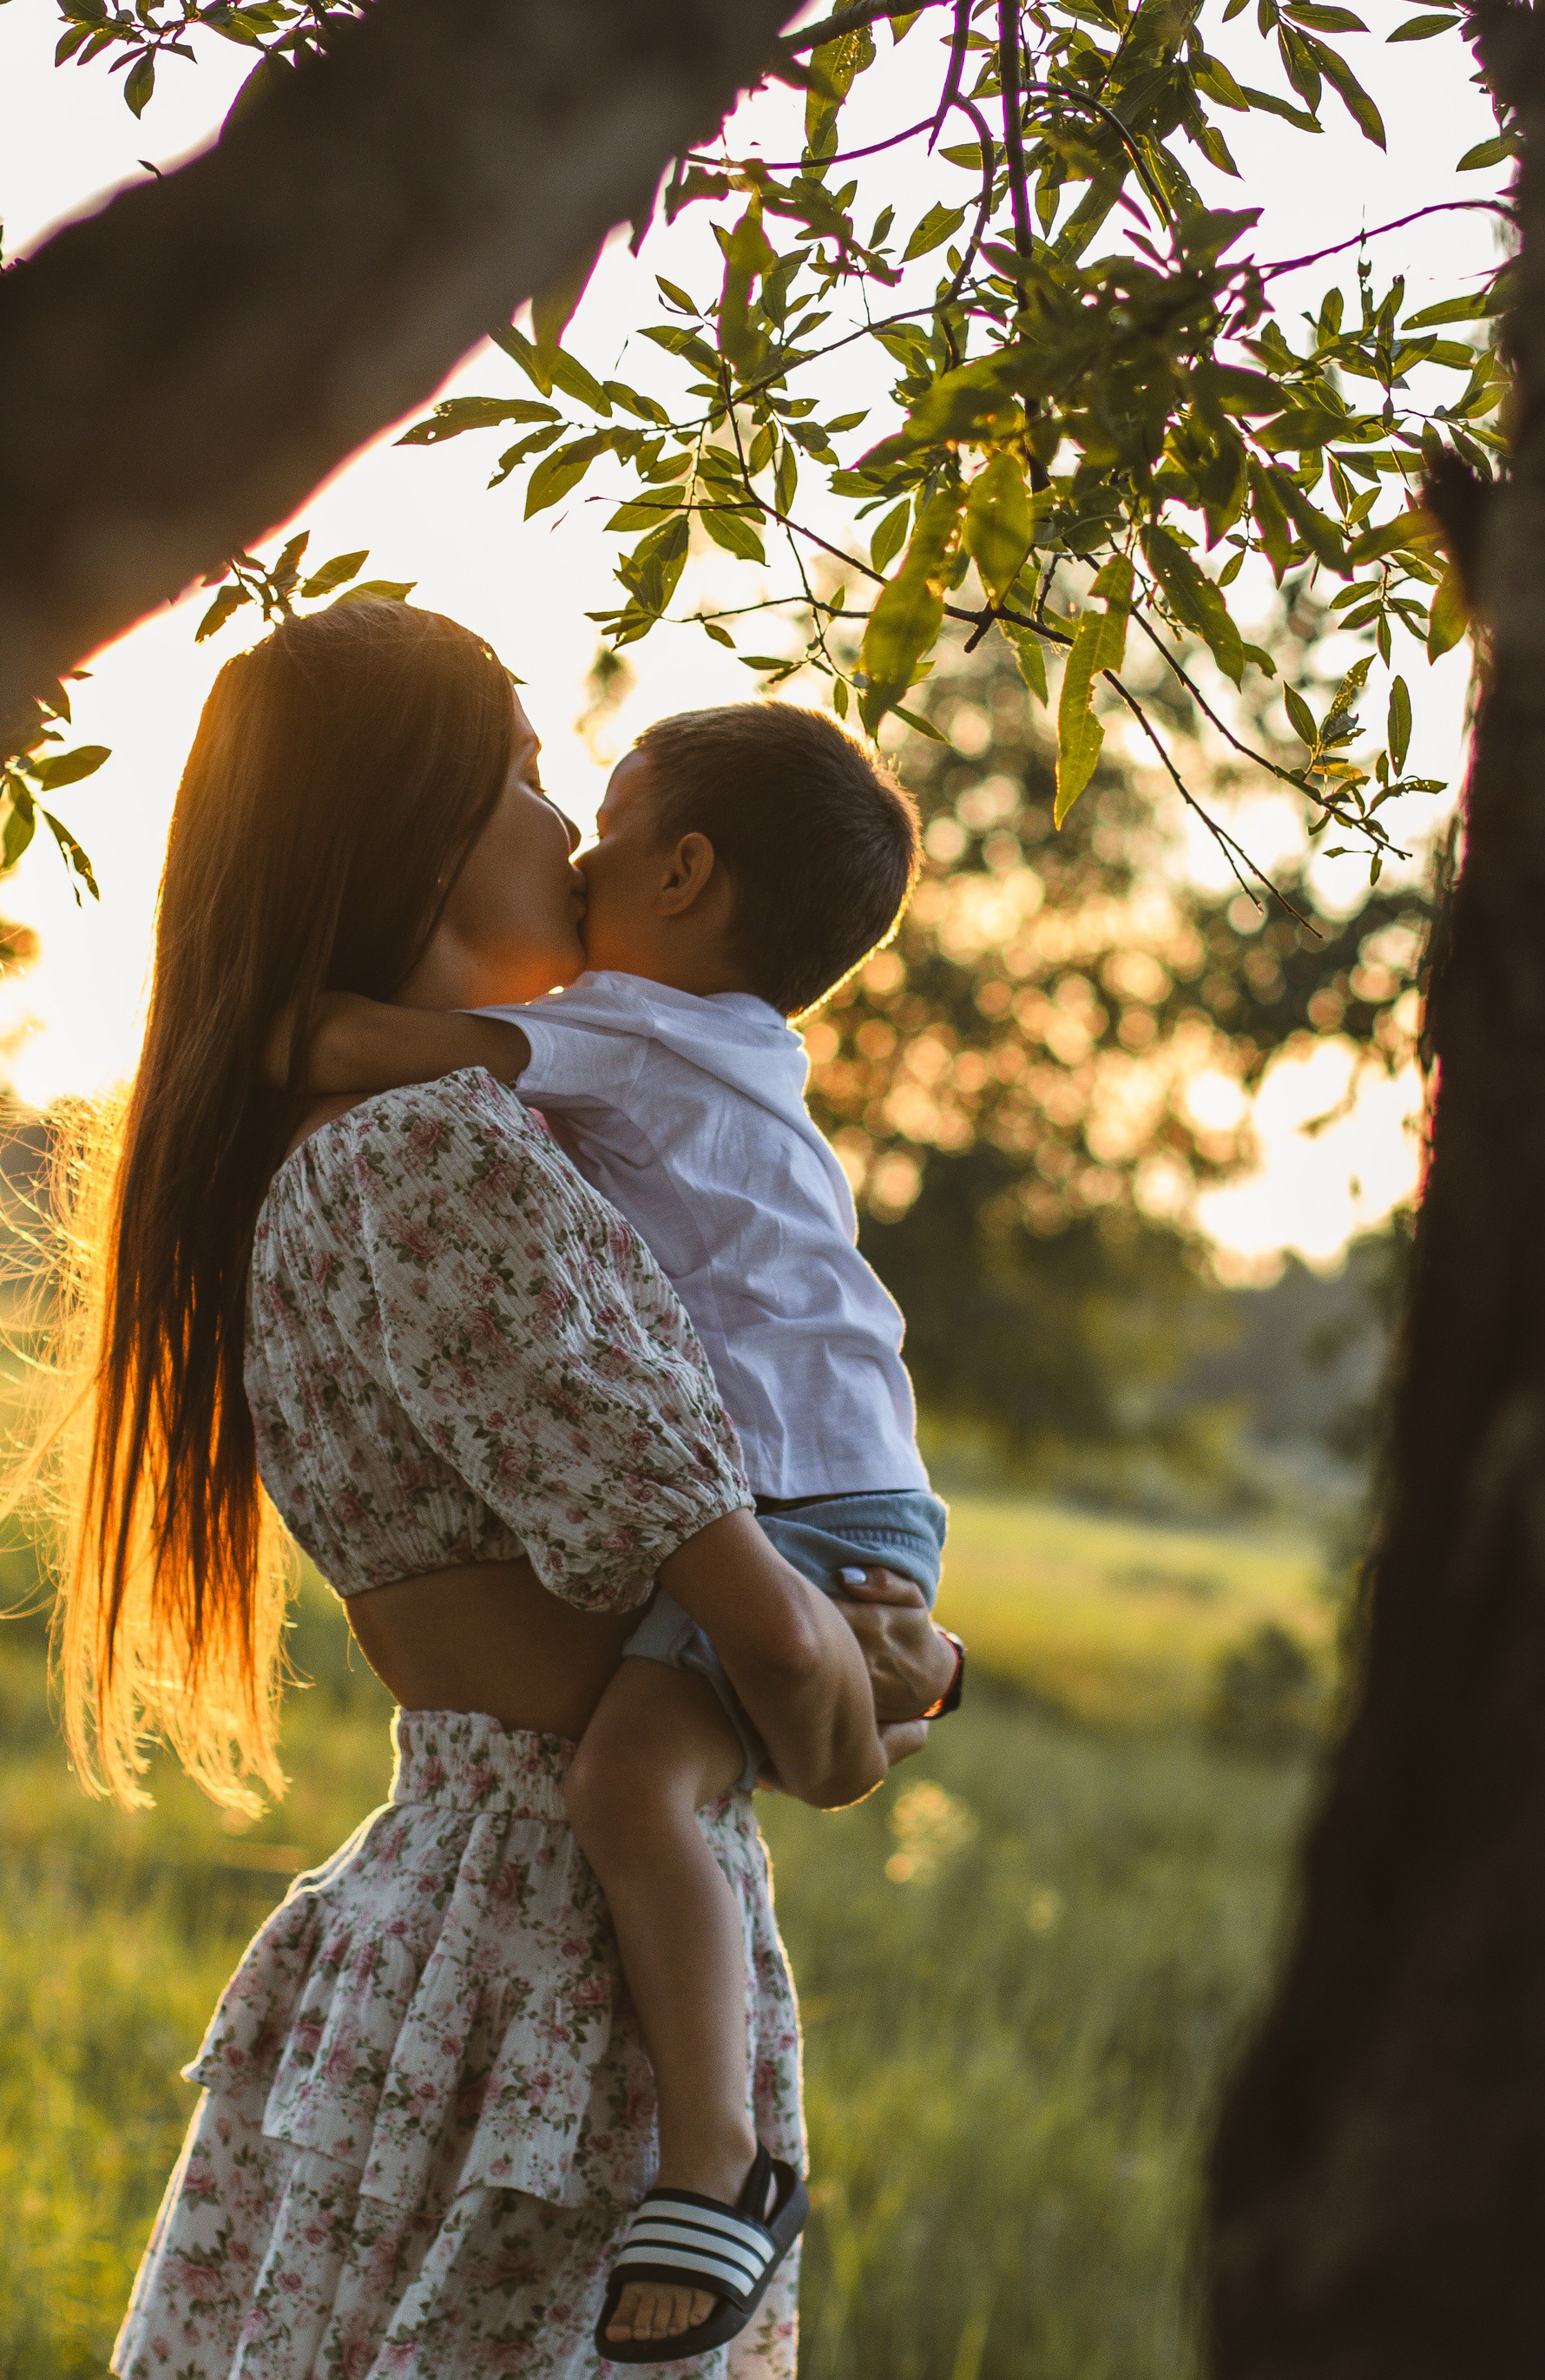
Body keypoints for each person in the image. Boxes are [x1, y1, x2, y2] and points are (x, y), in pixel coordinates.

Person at [47, 599, 958, 2380]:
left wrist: (875, 1654)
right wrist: (882, 1691)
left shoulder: (334, 1145)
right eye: (531, 777)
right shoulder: (443, 1147)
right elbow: (782, 1654)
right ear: (420, 828)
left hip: (455, 1901)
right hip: (552, 1939)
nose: (568, 827)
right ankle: (720, 2167)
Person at [302, 700, 961, 2358]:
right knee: (674, 1769)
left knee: (628, 1783)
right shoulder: (742, 1051)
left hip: (799, 1502)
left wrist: (260, 1014)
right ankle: (717, 2147)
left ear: (681, 871)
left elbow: (369, 1047)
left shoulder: (632, 1031)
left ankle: (715, 2160)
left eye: (596, 822)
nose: (574, 852)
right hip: (851, 1491)